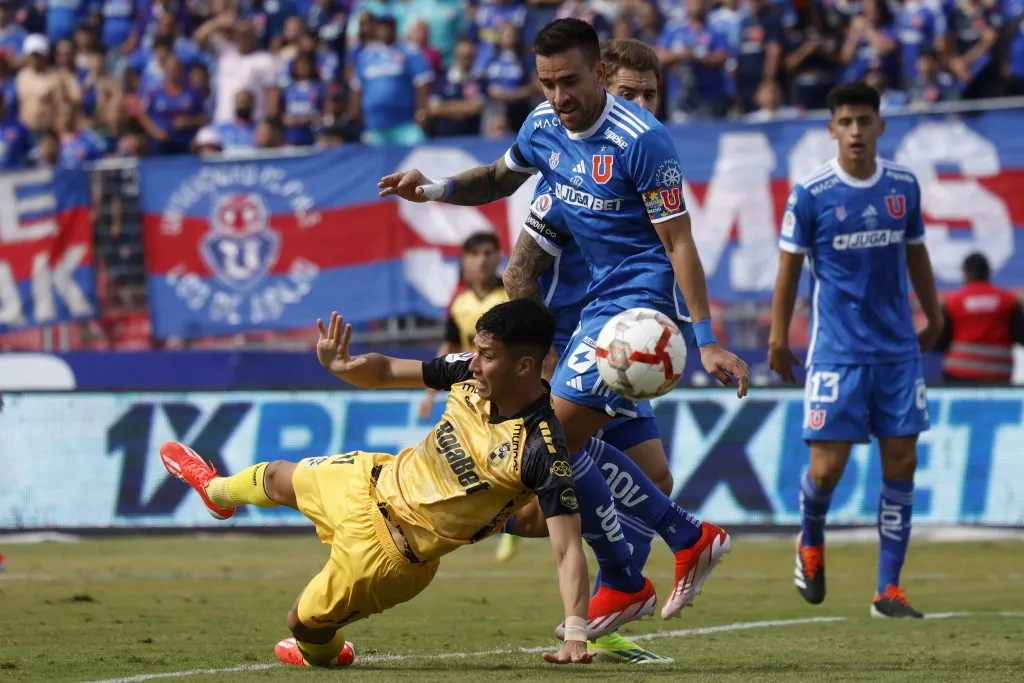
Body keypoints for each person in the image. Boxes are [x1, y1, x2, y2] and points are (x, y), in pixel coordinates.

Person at [379, 17, 748, 637]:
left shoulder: (643, 141)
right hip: (588, 319)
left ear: (599, 74)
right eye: (547, 83)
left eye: (569, 82)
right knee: (600, 462)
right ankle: (682, 541)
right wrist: (435, 188)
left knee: (542, 448)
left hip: (637, 316)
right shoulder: (545, 129)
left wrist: (705, 339)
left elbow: (680, 243)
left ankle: (633, 576)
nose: (558, 97)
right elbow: (500, 179)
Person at [160, 301, 627, 667]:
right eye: (477, 352)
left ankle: (326, 653)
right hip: (369, 480)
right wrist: (343, 366)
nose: (476, 363)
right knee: (280, 475)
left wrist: (576, 631)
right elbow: (385, 370)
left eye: (488, 356)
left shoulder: (541, 448)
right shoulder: (468, 371)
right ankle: (216, 492)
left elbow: (567, 548)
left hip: (391, 554)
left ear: (525, 367)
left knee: (302, 623)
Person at [501, 37, 693, 665]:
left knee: (657, 477)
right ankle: (447, 518)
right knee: (531, 511)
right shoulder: (569, 182)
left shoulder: (644, 174)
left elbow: (673, 253)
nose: (641, 106)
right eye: (630, 94)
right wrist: (546, 354)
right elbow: (516, 274)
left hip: (624, 352)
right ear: (606, 84)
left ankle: (611, 607)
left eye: (650, 95)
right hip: (573, 352)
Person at [767, 82, 943, 618]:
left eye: (865, 121)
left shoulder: (903, 188)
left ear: (880, 126)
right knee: (826, 470)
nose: (856, 131)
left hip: (896, 350)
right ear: (832, 129)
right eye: (846, 122)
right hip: (837, 352)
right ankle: (811, 537)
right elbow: (789, 268)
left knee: (903, 461)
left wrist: (932, 314)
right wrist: (778, 337)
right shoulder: (812, 193)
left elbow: (916, 254)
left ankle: (888, 589)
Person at [415, 232, 515, 562]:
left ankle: (512, 525)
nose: (482, 260)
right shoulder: (459, 304)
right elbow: (448, 349)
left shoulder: (510, 295)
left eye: (489, 253)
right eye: (475, 254)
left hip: (507, 390)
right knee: (463, 460)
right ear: (464, 261)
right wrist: (429, 393)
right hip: (469, 394)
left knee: (507, 460)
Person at [934, 253, 1024, 384]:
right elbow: (1021, 336)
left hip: (958, 376)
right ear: (987, 273)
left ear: (967, 272)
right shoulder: (1009, 301)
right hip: (998, 377)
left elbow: (938, 341)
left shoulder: (953, 302)